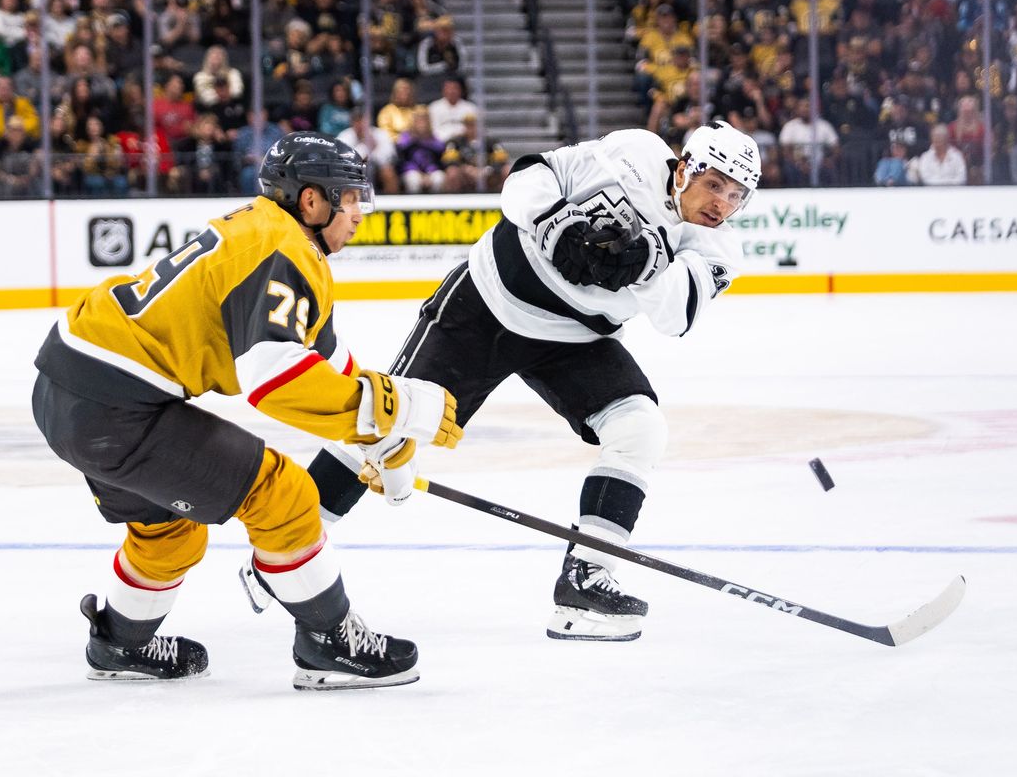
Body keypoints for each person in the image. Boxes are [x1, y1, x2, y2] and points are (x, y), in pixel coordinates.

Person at [288, 121, 760, 643]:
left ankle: (587, 577)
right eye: (715, 184)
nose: (723, 203)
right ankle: (288, 543)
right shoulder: (635, 151)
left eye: (737, 195)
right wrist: (555, 223)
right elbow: (530, 175)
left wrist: (646, 259)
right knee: (386, 427)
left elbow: (676, 316)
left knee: (639, 429)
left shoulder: (718, 249)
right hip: (487, 306)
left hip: (574, 338)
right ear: (686, 166)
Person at [29, 132, 463, 689]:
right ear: (312, 200)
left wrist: (383, 436)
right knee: (282, 494)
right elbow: (277, 384)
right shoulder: (287, 252)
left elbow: (326, 362)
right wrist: (392, 407)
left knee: (170, 534)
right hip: (116, 406)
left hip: (68, 384)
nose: (359, 212)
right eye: (350, 198)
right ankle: (328, 641)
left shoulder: (268, 230)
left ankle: (119, 642)